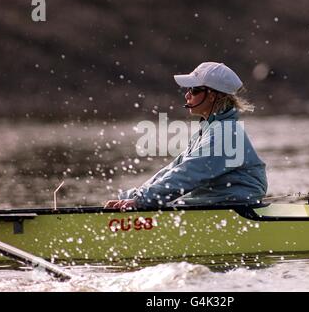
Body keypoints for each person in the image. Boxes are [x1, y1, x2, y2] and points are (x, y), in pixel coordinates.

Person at [105, 62, 267, 210]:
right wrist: (135, 196)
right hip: (218, 203)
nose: (187, 95)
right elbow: (174, 169)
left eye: (194, 90)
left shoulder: (225, 134)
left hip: (235, 207)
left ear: (212, 96)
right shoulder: (210, 130)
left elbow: (187, 174)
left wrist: (142, 201)